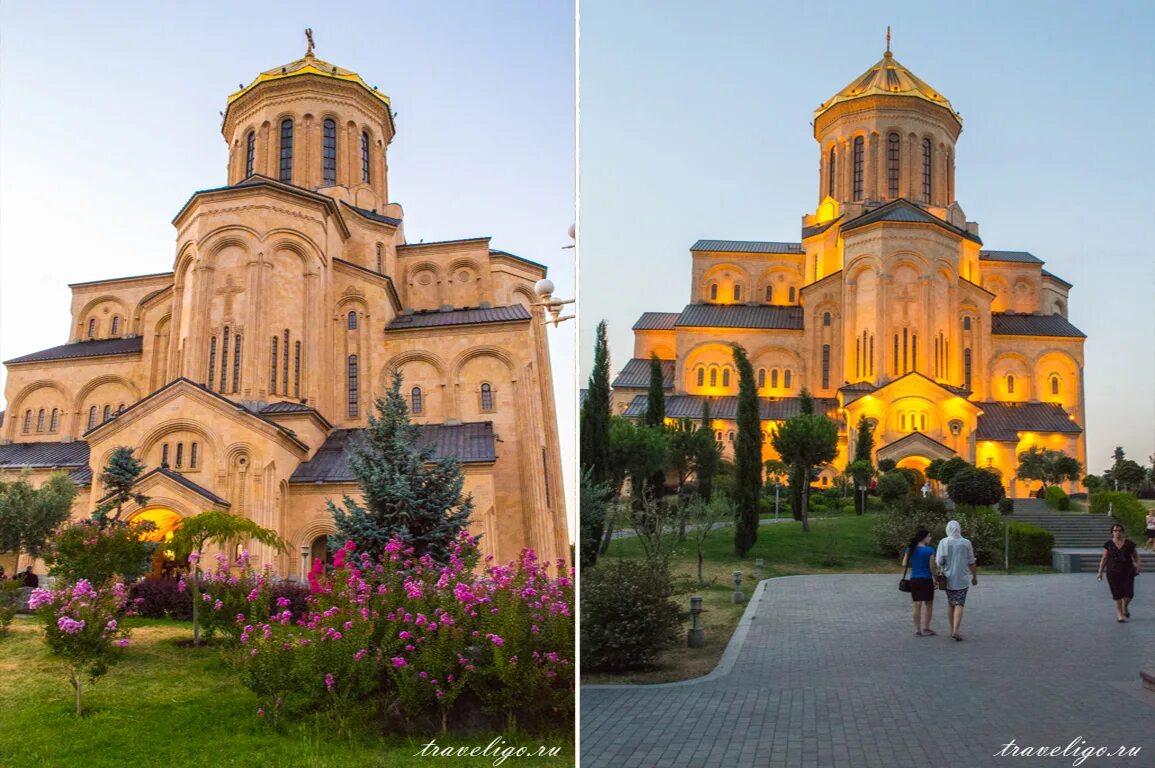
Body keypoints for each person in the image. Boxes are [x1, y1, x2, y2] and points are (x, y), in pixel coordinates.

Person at [935, 520, 977, 641]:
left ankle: (951, 629)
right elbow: (971, 562)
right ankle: (956, 630)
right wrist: (974, 576)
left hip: (948, 578)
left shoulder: (943, 542)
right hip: (962, 578)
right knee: (960, 603)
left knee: (951, 603)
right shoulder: (966, 543)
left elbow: (939, 561)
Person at [1097, 524, 1141, 622]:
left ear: (1123, 532)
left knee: (1129, 594)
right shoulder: (1108, 544)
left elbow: (1136, 556)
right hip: (1113, 572)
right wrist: (1100, 572)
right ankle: (1120, 614)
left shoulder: (1129, 544)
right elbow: (1104, 559)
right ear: (1112, 532)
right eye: (1115, 530)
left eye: (1120, 530)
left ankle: (1125, 607)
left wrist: (1138, 566)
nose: (1118, 532)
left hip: (1128, 571)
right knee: (1117, 594)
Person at [901, 528, 937, 636]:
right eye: (929, 536)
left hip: (915, 579)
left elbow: (904, 564)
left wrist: (916, 564)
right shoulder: (930, 550)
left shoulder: (910, 549)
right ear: (924, 538)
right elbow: (932, 567)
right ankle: (926, 627)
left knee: (917, 604)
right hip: (926, 579)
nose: (930, 538)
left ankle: (917, 629)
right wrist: (936, 578)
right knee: (929, 603)